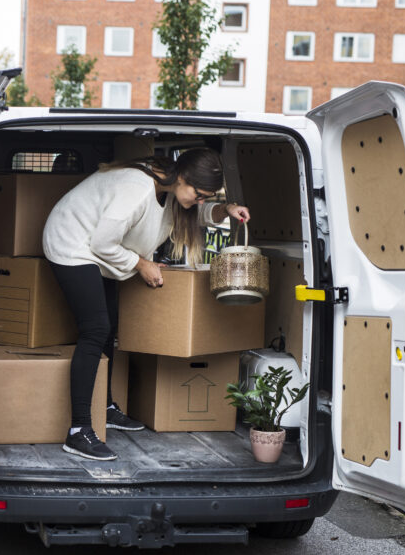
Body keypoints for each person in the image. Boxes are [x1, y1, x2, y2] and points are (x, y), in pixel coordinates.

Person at [42, 147, 251, 460]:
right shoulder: (137, 190)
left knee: (110, 325)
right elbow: (101, 243)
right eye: (200, 194)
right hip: (72, 242)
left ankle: (107, 407)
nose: (200, 201)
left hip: (101, 249)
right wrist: (141, 264)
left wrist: (228, 209)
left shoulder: (171, 186)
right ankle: (78, 431)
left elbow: (197, 212)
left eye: (206, 196)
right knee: (96, 328)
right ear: (183, 178)